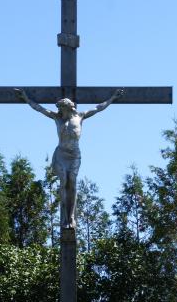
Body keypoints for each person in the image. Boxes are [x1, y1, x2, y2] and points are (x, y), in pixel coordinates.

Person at [14, 88, 124, 228]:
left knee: (72, 182)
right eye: (60, 109)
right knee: (64, 181)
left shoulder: (80, 116)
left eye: (62, 109)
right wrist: (25, 97)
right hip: (61, 154)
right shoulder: (57, 118)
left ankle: (71, 217)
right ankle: (65, 218)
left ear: (69, 108)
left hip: (74, 155)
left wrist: (113, 98)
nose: (61, 112)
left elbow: (98, 108)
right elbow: (39, 109)